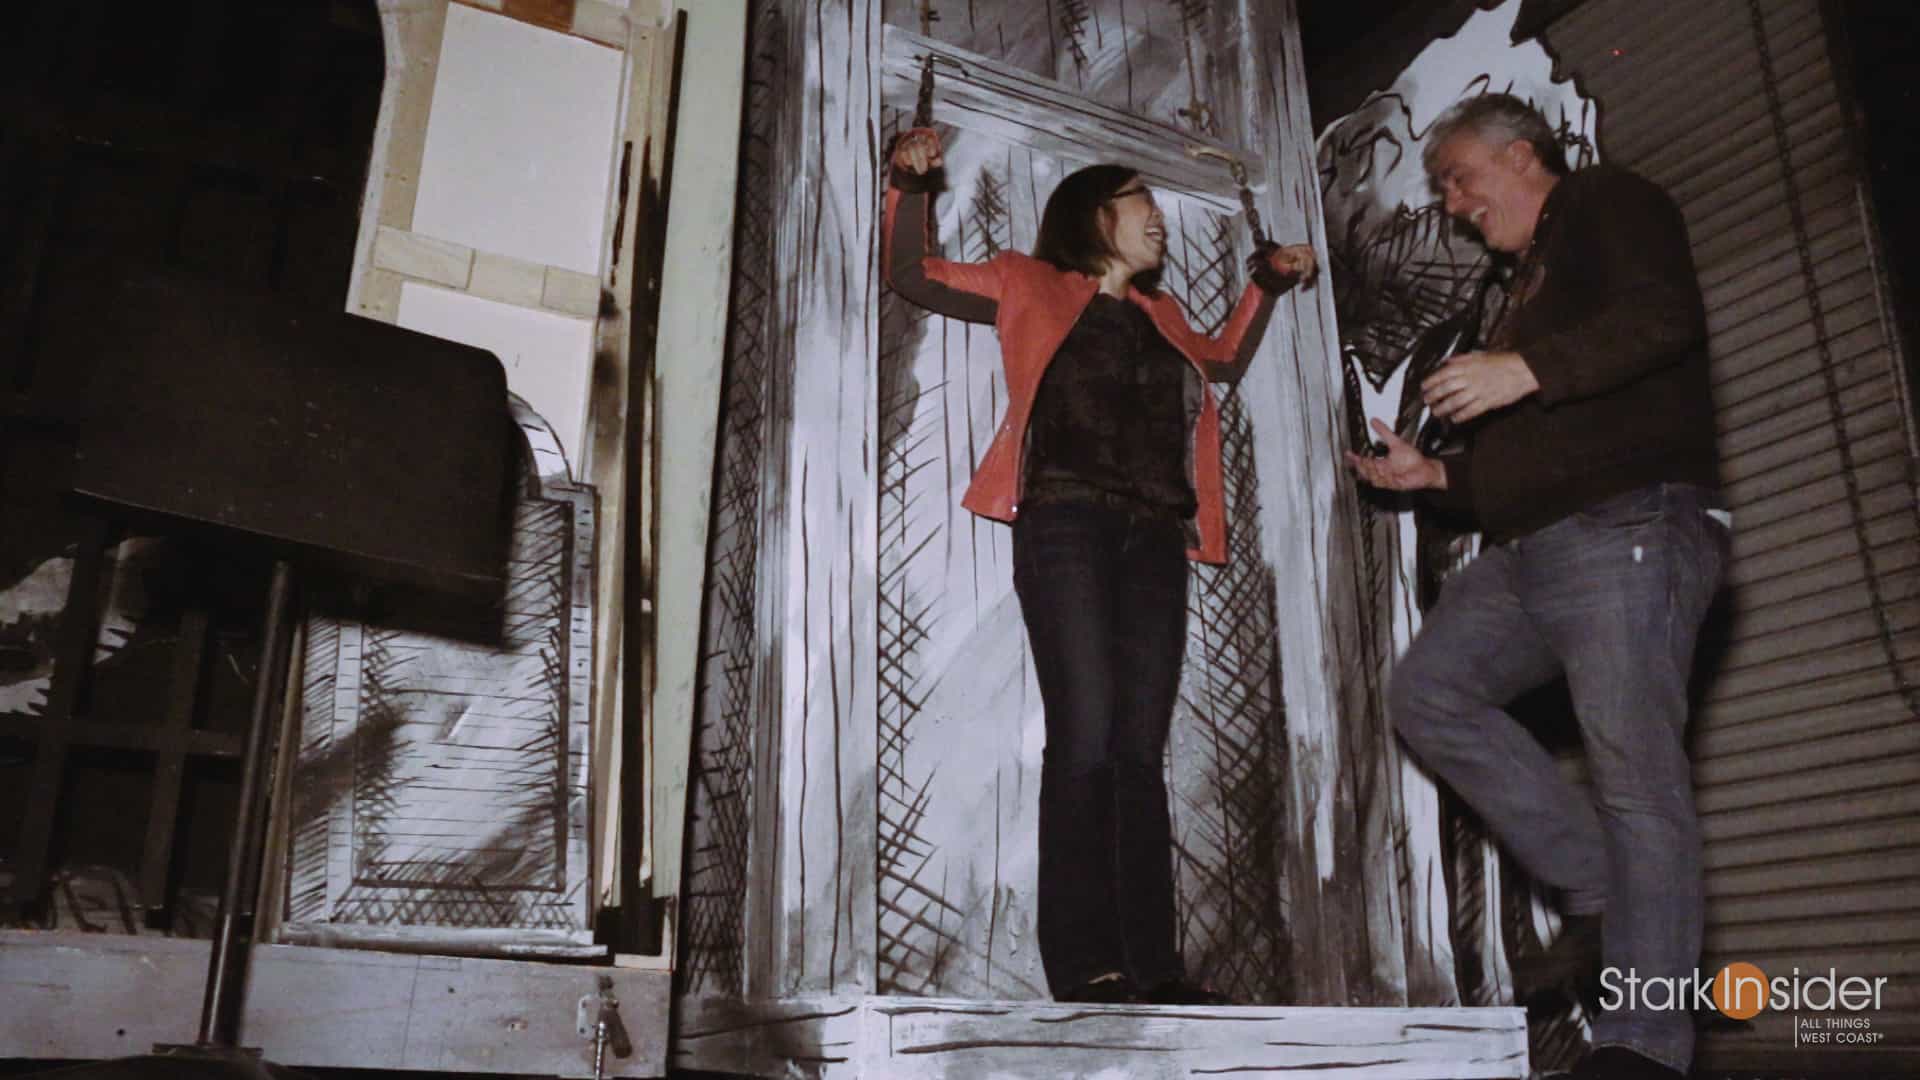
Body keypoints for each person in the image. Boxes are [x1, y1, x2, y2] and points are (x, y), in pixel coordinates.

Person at [1346, 93, 1728, 1080]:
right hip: (1531, 545)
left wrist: (1524, 367)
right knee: (1430, 692)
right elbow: (1529, 458)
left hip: (1629, 523)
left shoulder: (1606, 200)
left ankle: (1644, 1044)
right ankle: (1600, 883)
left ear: (1521, 155)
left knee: (1637, 779)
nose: (1453, 204)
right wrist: (1433, 478)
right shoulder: (1515, 286)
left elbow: (1665, 317)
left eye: (1459, 178)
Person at [886, 127, 1315, 1005]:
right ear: (1094, 215)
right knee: (1085, 737)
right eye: (1142, 200)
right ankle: (1087, 965)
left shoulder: (1163, 316)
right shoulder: (1027, 280)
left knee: (1139, 753)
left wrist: (1265, 283)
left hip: (1156, 537)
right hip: (1066, 525)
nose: (1159, 217)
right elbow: (916, 275)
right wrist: (909, 182)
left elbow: (1224, 358)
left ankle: (1155, 968)